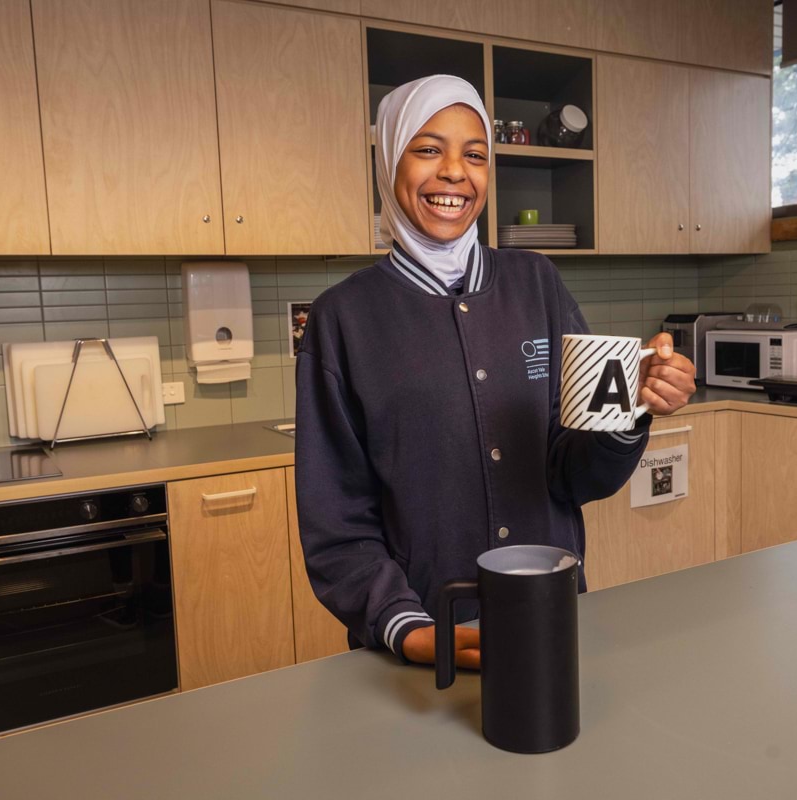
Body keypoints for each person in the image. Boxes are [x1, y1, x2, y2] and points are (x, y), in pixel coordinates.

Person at [295, 75, 695, 669]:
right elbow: (338, 525)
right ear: (388, 162)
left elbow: (577, 478)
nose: (455, 172)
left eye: (475, 155)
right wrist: (408, 630)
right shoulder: (342, 319)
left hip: (548, 613)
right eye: (429, 148)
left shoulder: (537, 283)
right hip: (422, 639)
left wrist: (629, 407)